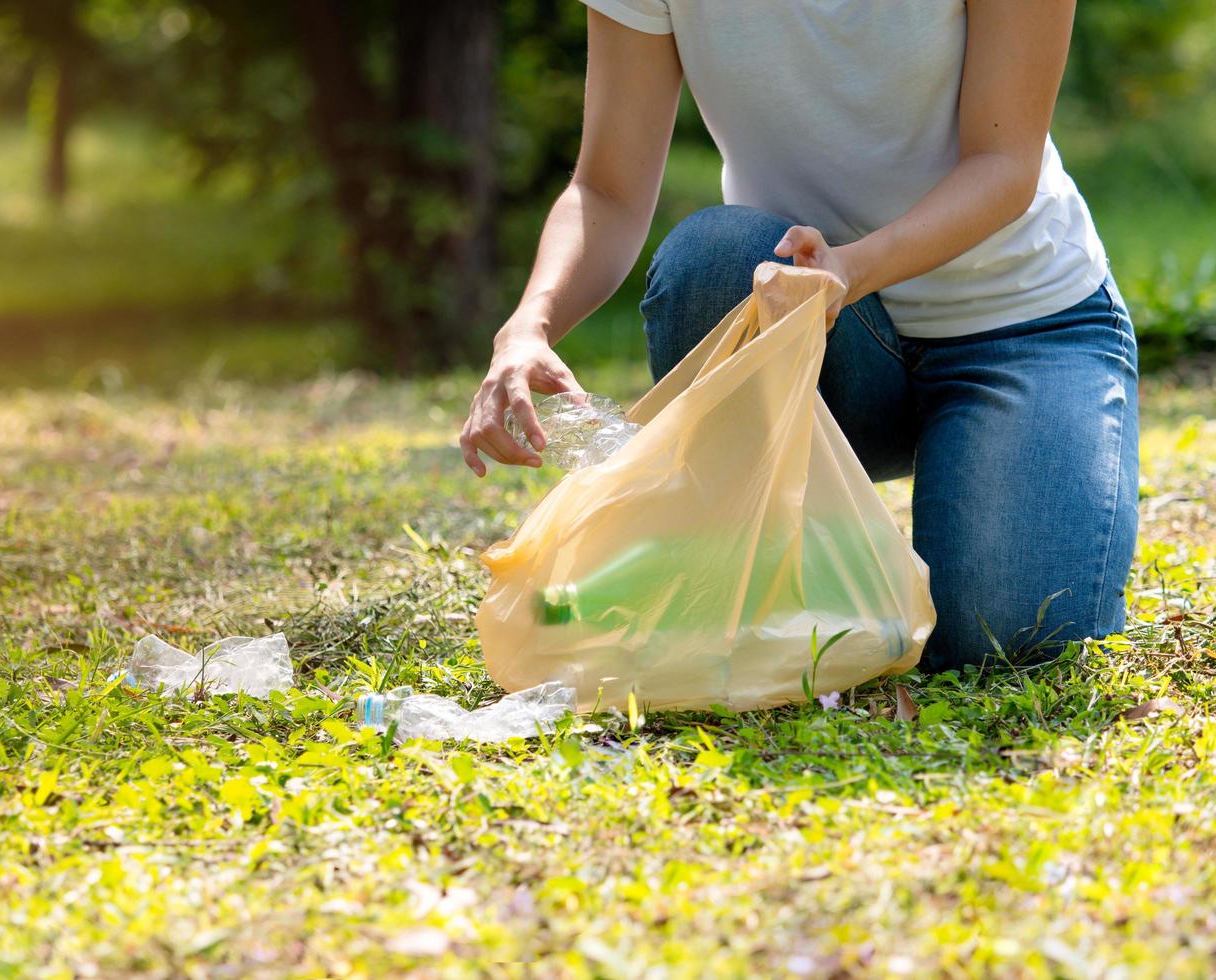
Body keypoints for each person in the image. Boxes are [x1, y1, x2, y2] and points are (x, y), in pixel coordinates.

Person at [459, 1, 1138, 673]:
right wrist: (527, 327)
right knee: (714, 259)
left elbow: (1003, 164)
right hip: (807, 332)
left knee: (1006, 639)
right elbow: (606, 187)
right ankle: (771, 552)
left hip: (1020, 327)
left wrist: (851, 266)